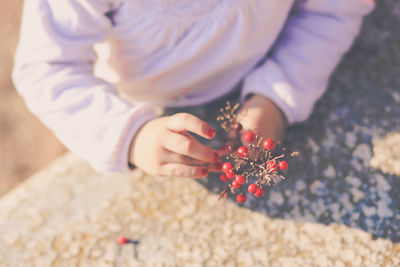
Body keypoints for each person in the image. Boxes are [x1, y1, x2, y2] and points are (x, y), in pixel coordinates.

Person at [12, 0, 375, 178]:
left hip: (267, 55)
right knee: (70, 150)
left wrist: (278, 93)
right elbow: (49, 68)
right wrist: (131, 136)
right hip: (132, 94)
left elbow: (332, 11)